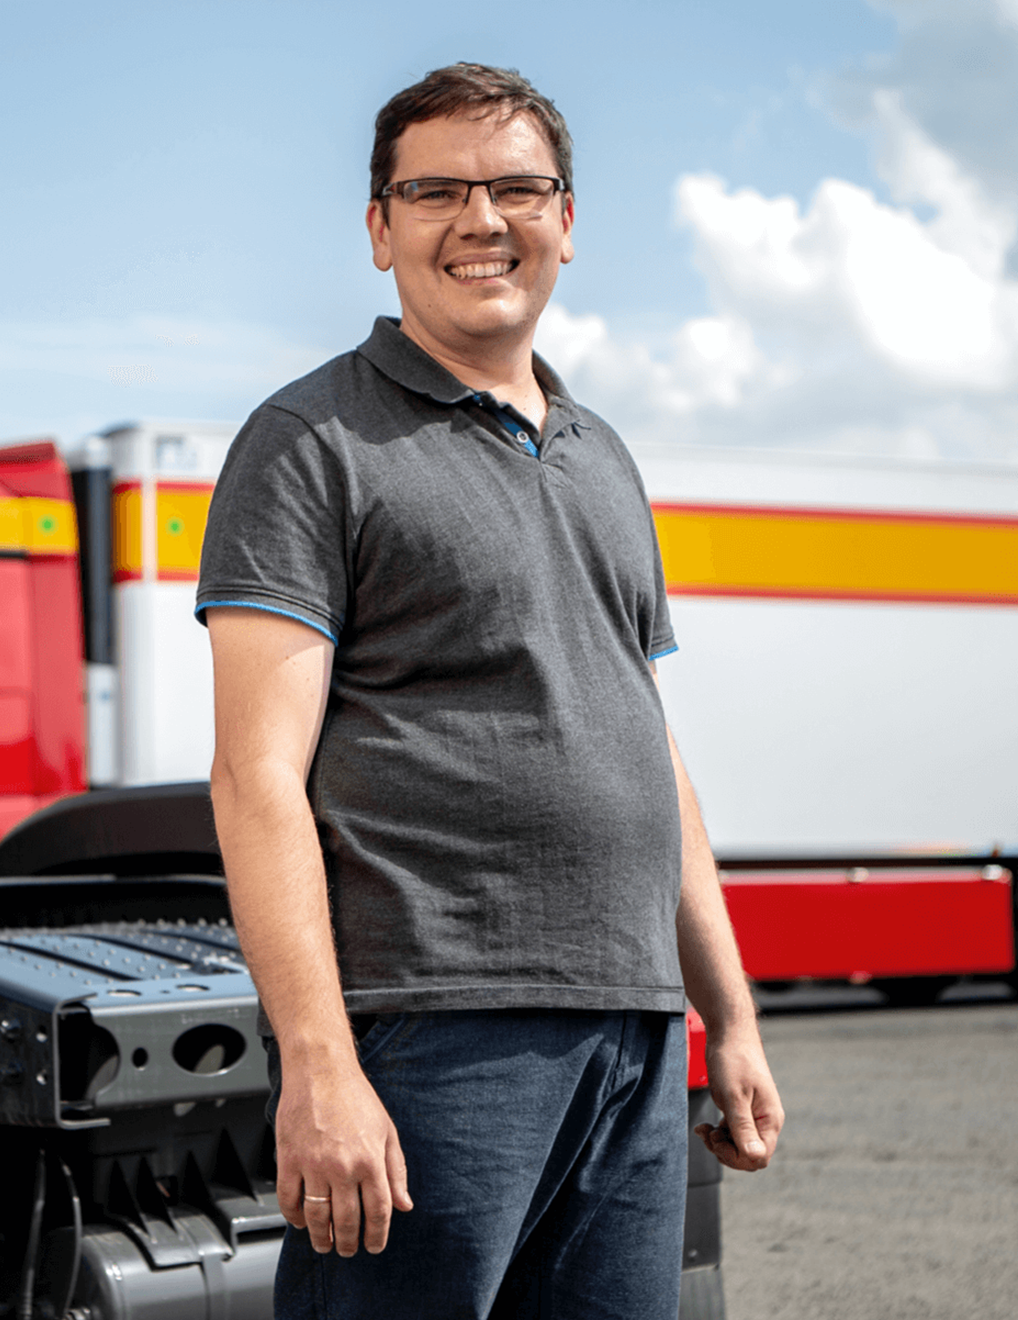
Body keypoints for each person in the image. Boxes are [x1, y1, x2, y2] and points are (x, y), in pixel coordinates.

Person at [197, 62, 783, 1320]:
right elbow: (255, 778)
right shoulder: (309, 444)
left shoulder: (600, 455)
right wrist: (318, 1067)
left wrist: (723, 1017)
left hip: (627, 1033)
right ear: (378, 230)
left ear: (566, 222)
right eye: (436, 190)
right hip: (431, 1037)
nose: (481, 219)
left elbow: (643, 746)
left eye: (517, 187)